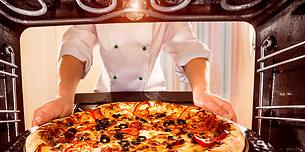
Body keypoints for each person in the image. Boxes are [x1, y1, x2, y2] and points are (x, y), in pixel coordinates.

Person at [32, 22, 237, 127]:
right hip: (104, 102)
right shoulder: (94, 3)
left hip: (153, 101)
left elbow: (187, 46)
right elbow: (76, 45)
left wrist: (202, 92)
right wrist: (64, 96)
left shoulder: (165, 3)